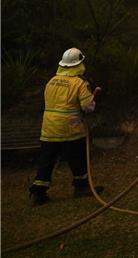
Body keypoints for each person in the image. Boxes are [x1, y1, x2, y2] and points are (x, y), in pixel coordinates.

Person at [29, 47, 99, 206]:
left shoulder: (51, 81)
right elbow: (88, 107)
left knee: (46, 160)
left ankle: (38, 193)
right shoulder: (79, 83)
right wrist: (92, 103)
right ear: (79, 64)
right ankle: (81, 188)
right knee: (77, 157)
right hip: (70, 129)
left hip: (49, 129)